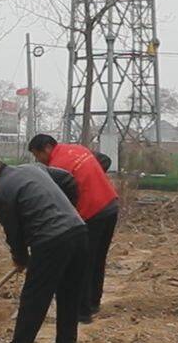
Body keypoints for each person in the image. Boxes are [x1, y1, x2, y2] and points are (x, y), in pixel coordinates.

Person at [0, 159, 87, 343]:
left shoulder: (1, 193)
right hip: (78, 230)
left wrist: (20, 258)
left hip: (50, 239)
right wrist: (68, 210)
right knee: (69, 294)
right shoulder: (33, 168)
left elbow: (13, 232)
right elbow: (68, 180)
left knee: (34, 297)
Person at [29, 133, 120, 322]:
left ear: (47, 148)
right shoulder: (78, 149)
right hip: (110, 205)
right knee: (98, 259)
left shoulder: (57, 166)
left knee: (83, 262)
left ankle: (83, 312)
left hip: (92, 212)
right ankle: (93, 303)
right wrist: (89, 178)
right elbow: (104, 160)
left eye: (38, 156)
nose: (39, 161)